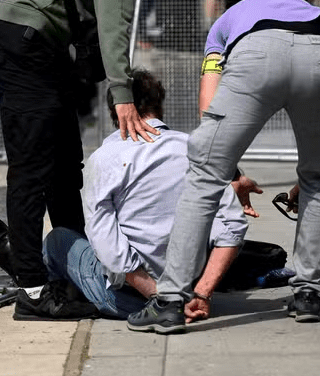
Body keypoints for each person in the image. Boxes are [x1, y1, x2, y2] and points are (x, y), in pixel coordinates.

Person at [0, 0, 197, 321]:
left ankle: (72, 267)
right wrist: (122, 94)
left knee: (64, 166)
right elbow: (116, 17)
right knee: (33, 169)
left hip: (36, 47)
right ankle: (32, 286)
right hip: (25, 48)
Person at [126, 0, 320, 333]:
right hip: (319, 58)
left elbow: (208, 108)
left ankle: (169, 303)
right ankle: (308, 295)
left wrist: (230, 173)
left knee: (203, 178)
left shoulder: (225, 24)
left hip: (256, 55)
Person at [43, 69, 250, 320]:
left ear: (115, 110)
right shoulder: (197, 150)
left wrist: (161, 300)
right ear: (159, 103)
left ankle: (54, 293)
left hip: (128, 300)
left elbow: (109, 247)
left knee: (58, 239)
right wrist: (202, 293)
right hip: (190, 296)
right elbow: (232, 227)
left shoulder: (106, 159)